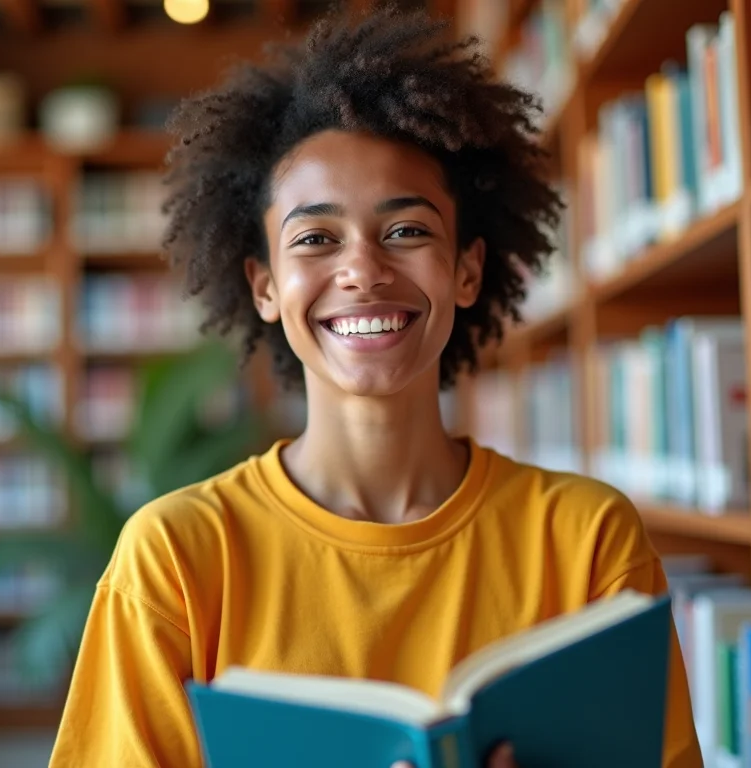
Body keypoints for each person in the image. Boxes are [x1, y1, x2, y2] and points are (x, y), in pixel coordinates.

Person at [47, 5, 702, 767]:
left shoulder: (588, 541)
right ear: (264, 285)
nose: (362, 269)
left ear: (467, 270)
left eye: (406, 231)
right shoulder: (175, 559)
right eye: (316, 239)